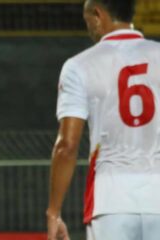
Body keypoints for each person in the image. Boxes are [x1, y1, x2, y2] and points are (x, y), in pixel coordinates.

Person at [46, 0, 160, 239]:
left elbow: (66, 146)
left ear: (97, 15)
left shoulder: (79, 65)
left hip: (111, 202)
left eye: (87, 19)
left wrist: (54, 212)